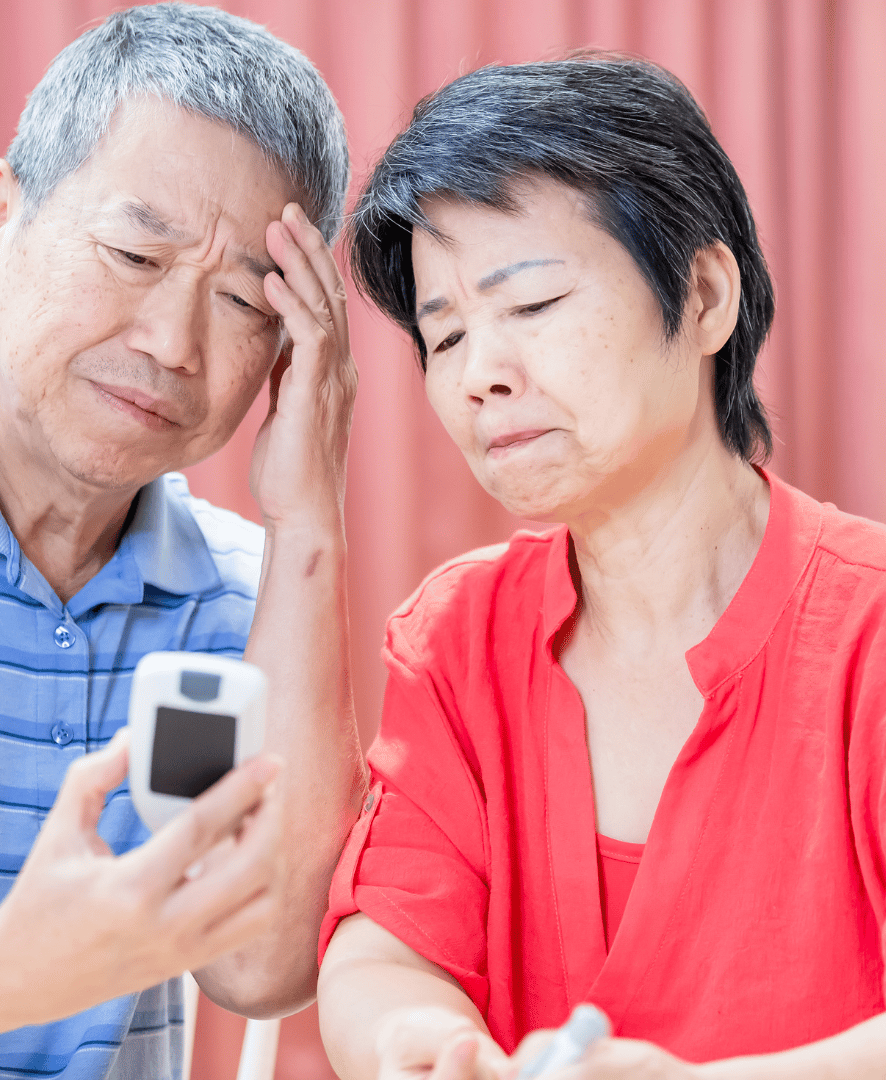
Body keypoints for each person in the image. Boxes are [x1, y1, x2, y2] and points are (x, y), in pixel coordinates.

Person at [0, 4, 363, 1078]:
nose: (171, 344)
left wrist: (310, 520)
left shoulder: (240, 600)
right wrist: (22, 965)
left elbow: (263, 964)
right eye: (132, 253)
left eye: (243, 302)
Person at [317, 57, 886, 1080]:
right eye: (443, 336)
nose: (480, 373)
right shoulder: (458, 638)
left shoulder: (871, 631)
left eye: (530, 304)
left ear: (705, 295)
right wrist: (421, 1041)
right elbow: (383, 948)